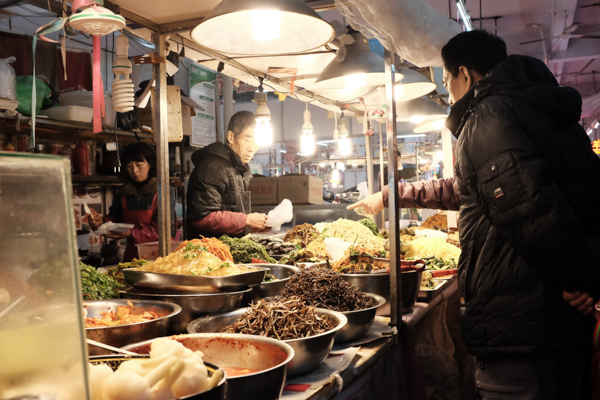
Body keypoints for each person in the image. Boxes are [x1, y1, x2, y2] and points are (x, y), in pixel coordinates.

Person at [350, 30, 600, 399]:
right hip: (553, 318)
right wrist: (392, 194)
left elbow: (530, 211)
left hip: (522, 324)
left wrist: (579, 279)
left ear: (464, 74)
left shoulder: (488, 117)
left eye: (447, 80)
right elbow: (479, 189)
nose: (447, 91)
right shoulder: (542, 112)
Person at [187, 111, 268, 239]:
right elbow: (203, 217)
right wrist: (246, 220)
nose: (252, 148)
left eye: (256, 142)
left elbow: (233, 213)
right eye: (247, 139)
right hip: (209, 254)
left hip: (230, 251)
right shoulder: (212, 167)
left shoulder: (239, 169)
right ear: (231, 137)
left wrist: (252, 224)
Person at [88, 142, 161, 262]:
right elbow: (115, 219)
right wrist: (101, 222)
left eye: (139, 165)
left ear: (150, 164)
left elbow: (163, 230)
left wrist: (131, 233)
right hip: (131, 256)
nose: (134, 171)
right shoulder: (123, 192)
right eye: (129, 166)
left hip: (159, 255)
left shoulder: (163, 192)